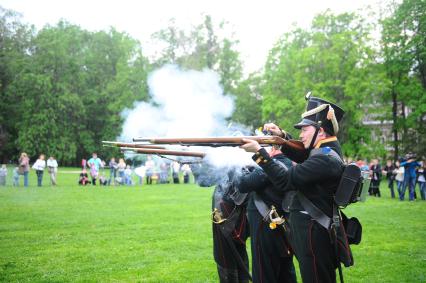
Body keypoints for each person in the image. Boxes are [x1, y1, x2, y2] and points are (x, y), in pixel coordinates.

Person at [241, 94, 349, 283]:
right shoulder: (325, 151)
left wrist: (260, 153)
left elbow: (285, 180)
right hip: (312, 231)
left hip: (314, 234)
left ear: (320, 131)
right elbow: (303, 152)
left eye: (305, 130)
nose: (301, 134)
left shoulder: (324, 158)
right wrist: (281, 137)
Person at [236, 145, 296, 283]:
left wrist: (232, 168)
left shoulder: (271, 165)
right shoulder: (288, 162)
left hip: (266, 226)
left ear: (273, 147)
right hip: (282, 224)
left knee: (263, 272)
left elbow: (243, 184)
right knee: (285, 269)